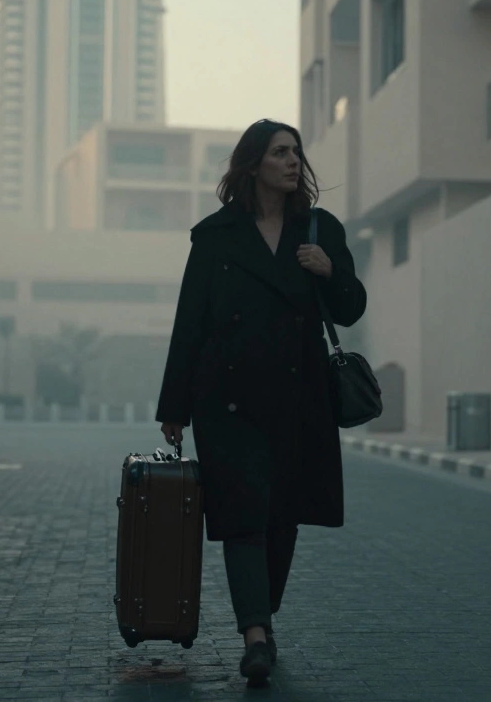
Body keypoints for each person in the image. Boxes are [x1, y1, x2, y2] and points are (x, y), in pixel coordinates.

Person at [155, 119, 367, 684]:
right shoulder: (215, 237)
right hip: (227, 403)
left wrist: (331, 270)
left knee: (282, 519)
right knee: (243, 515)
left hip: (301, 402)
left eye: (296, 151)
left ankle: (261, 618)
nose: (293, 160)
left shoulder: (319, 229)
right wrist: (173, 406)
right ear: (253, 165)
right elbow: (189, 324)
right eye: (280, 152)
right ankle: (256, 635)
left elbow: (350, 308)